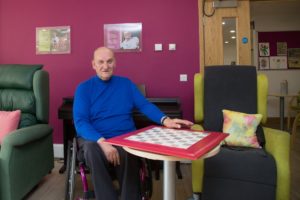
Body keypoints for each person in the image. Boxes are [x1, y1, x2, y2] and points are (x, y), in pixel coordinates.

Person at [73, 46, 193, 200]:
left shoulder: (126, 84)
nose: (105, 66)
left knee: (130, 150)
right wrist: (102, 142)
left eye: (109, 61)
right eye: (100, 62)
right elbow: (81, 122)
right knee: (91, 148)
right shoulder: (84, 88)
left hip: (123, 139)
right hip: (95, 141)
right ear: (93, 64)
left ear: (115, 62)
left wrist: (166, 120)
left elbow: (144, 105)